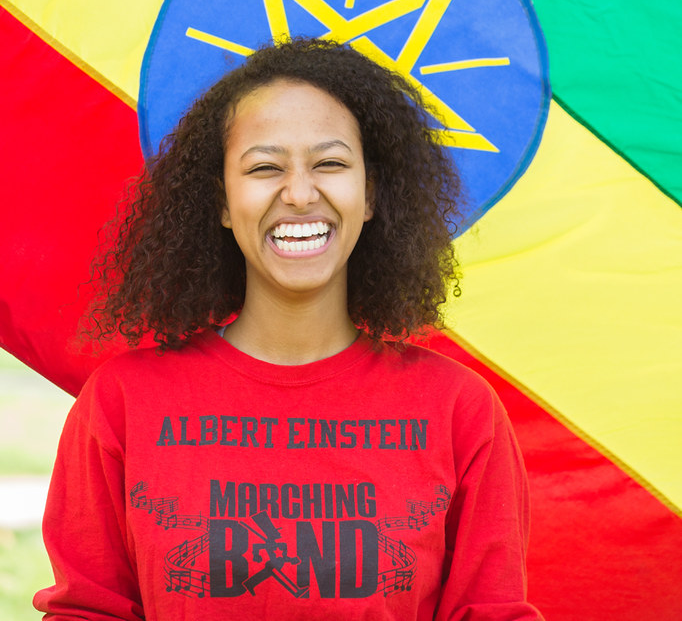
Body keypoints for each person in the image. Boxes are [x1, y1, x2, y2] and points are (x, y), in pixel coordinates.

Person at [35, 37, 544, 619]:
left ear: (371, 194)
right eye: (264, 167)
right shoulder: (122, 403)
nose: (300, 194)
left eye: (329, 163)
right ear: (223, 202)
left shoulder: (459, 411)